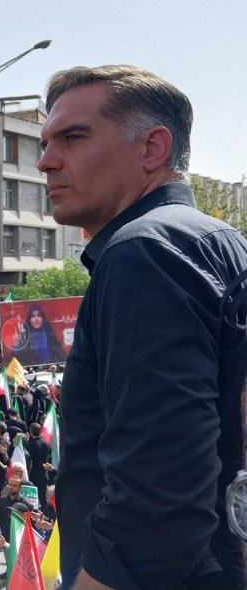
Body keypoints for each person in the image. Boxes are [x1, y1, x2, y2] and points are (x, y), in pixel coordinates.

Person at [40, 65, 247, 589]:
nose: (46, 161)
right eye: (46, 141)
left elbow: (160, 492)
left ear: (152, 148)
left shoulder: (143, 252)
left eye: (72, 137)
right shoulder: (219, 241)